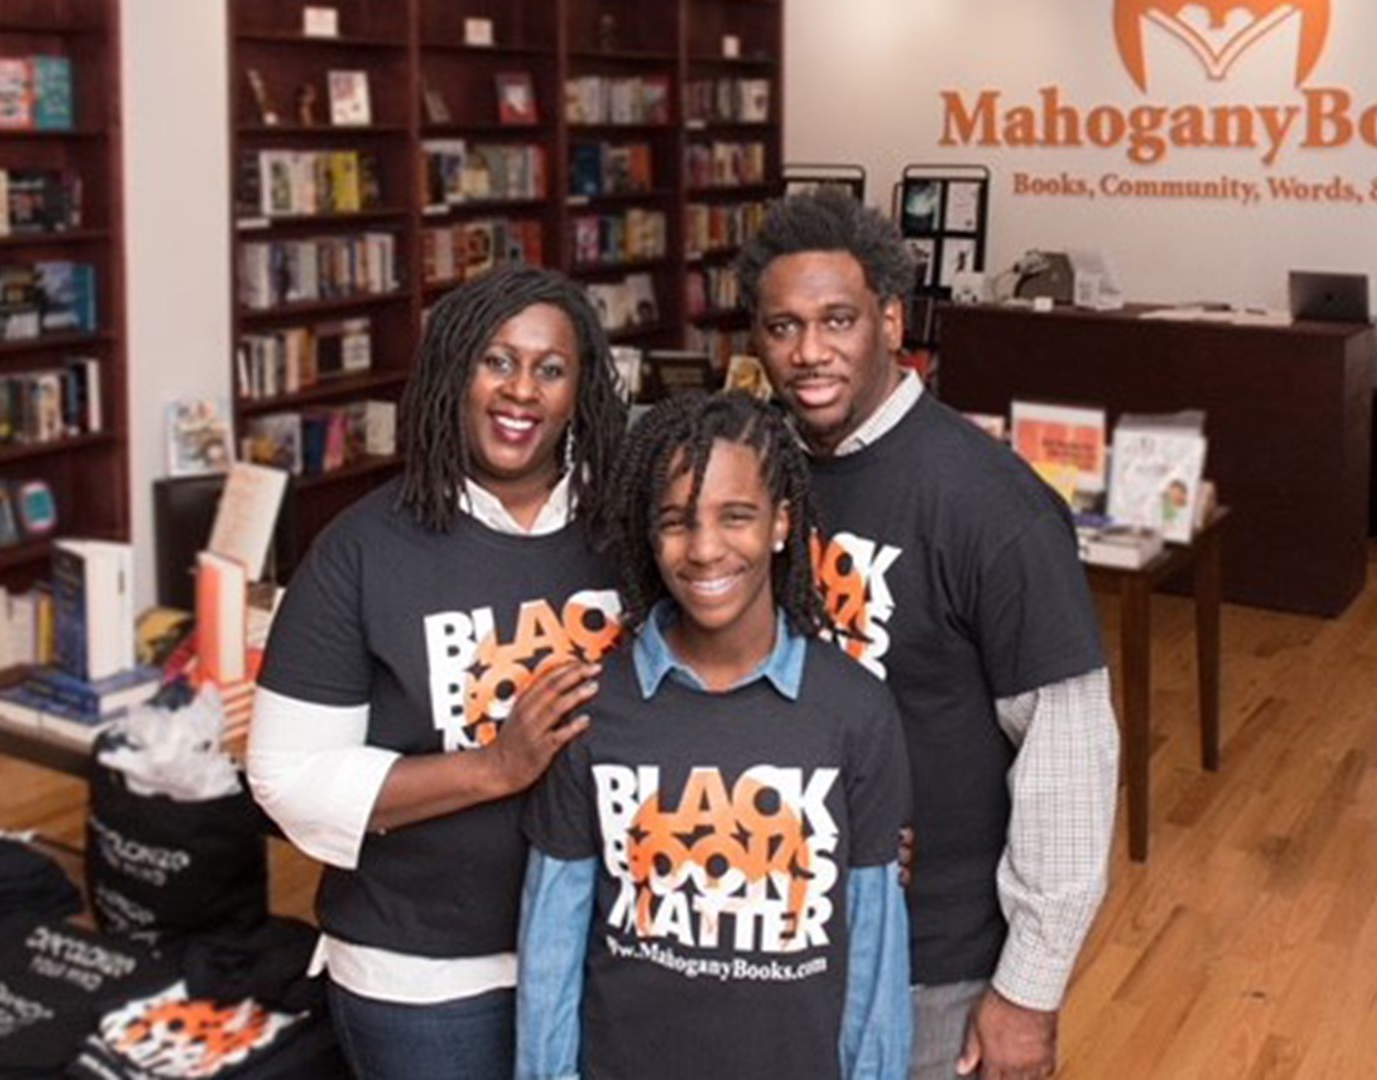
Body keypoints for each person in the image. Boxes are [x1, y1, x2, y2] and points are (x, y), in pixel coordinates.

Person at [736, 189, 1121, 1080]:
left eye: (838, 320)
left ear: (892, 319)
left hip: (932, 968)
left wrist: (1028, 990)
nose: (810, 352)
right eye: (783, 326)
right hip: (782, 938)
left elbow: (1069, 755)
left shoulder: (990, 502)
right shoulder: (762, 477)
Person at [247, 265, 630, 1080]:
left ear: (581, 392)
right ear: (454, 370)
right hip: (426, 976)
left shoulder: (629, 535)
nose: (521, 390)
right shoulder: (360, 549)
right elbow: (286, 774)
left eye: (550, 369)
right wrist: (494, 767)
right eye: (497, 361)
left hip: (610, 950)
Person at [517, 391, 913, 1079]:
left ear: (783, 523)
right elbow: (553, 938)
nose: (704, 550)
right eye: (675, 522)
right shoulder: (594, 706)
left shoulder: (856, 711)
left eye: (736, 517)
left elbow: (874, 949)